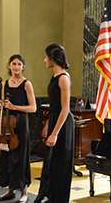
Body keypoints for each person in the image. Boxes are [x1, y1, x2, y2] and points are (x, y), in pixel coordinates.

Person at [34, 44, 75, 203]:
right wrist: (47, 126)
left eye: (46, 57)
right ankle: (50, 196)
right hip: (55, 121)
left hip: (63, 126)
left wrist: (55, 133)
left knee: (59, 165)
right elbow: (54, 106)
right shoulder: (54, 77)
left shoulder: (64, 78)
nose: (44, 60)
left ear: (52, 58)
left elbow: (65, 109)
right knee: (51, 164)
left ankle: (58, 199)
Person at [0, 54, 36, 203]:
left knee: (21, 157)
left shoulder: (27, 84)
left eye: (19, 64)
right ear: (9, 66)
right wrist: (1, 106)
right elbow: (5, 102)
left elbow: (33, 108)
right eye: (14, 64)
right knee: (7, 157)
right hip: (8, 124)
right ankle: (10, 191)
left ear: (23, 67)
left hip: (21, 124)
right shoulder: (6, 83)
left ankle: (24, 193)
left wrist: (14, 107)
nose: (16, 67)